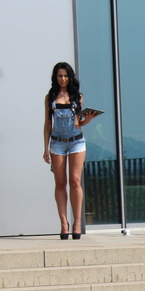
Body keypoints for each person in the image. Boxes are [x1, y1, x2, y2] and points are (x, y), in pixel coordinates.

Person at [43, 62, 99, 239]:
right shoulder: (50, 97)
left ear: (70, 77)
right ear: (55, 77)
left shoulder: (77, 96)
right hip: (57, 143)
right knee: (60, 182)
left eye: (66, 76)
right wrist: (46, 148)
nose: (63, 79)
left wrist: (87, 120)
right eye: (60, 76)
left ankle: (77, 223)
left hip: (76, 141)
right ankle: (63, 223)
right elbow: (48, 123)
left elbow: (78, 122)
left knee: (75, 180)